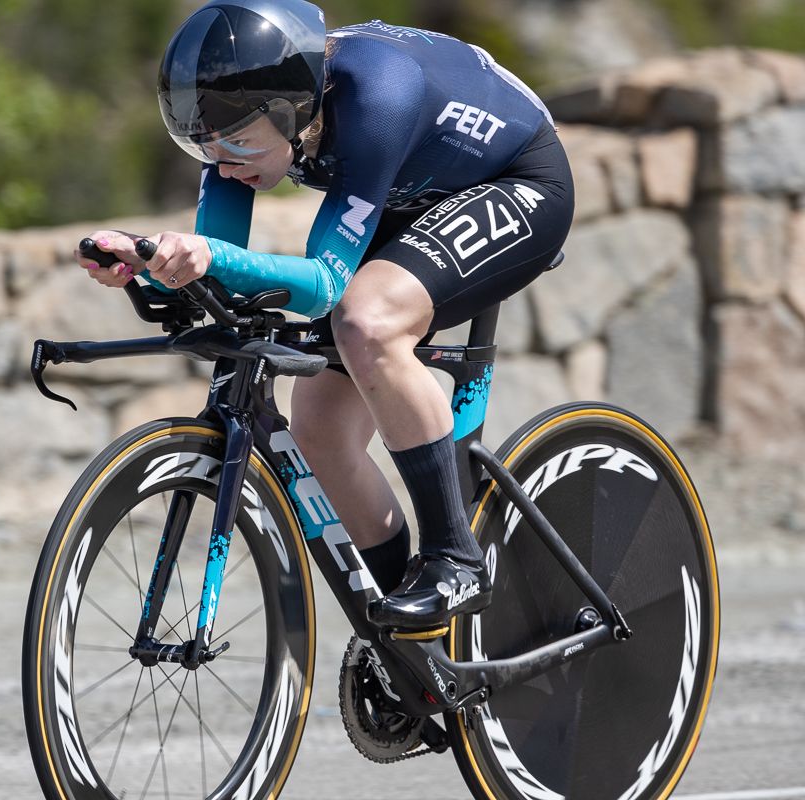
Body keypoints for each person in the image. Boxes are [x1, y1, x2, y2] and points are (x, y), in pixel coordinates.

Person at [75, 0, 574, 636]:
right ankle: (412, 646)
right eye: (200, 143)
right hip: (405, 189)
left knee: (366, 321)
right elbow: (218, 272)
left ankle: (456, 559)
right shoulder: (237, 125)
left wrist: (207, 255)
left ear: (295, 110)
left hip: (516, 177)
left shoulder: (377, 95)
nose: (221, 160)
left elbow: (323, 286)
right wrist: (147, 261)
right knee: (321, 430)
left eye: (235, 141)